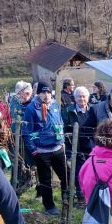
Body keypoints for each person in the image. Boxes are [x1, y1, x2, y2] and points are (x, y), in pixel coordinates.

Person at [23, 82, 68, 216]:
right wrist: (34, 150)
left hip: (58, 148)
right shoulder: (32, 108)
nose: (46, 95)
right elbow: (27, 131)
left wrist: (62, 141)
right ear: (38, 93)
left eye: (48, 92)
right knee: (46, 180)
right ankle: (49, 207)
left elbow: (60, 123)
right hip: (42, 151)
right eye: (43, 92)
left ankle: (66, 200)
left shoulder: (55, 105)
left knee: (66, 176)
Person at [62, 86, 93, 202]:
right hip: (75, 146)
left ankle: (90, 193)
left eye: (84, 96)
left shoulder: (93, 110)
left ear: (88, 98)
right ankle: (80, 195)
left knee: (91, 171)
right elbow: (64, 128)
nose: (82, 99)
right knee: (78, 171)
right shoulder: (68, 111)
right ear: (75, 98)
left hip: (91, 146)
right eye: (79, 96)